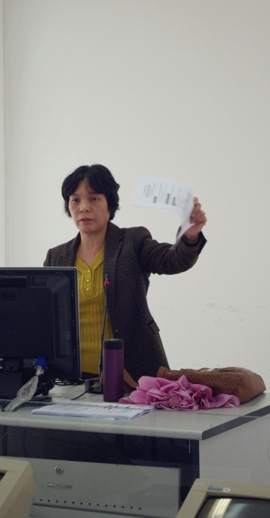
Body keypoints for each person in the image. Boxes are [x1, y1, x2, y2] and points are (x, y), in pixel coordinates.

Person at [44, 164, 207, 383]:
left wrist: (189, 236)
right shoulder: (56, 257)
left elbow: (173, 260)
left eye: (94, 198)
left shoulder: (133, 241)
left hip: (132, 373)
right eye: (75, 200)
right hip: (71, 380)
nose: (83, 207)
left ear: (110, 204)